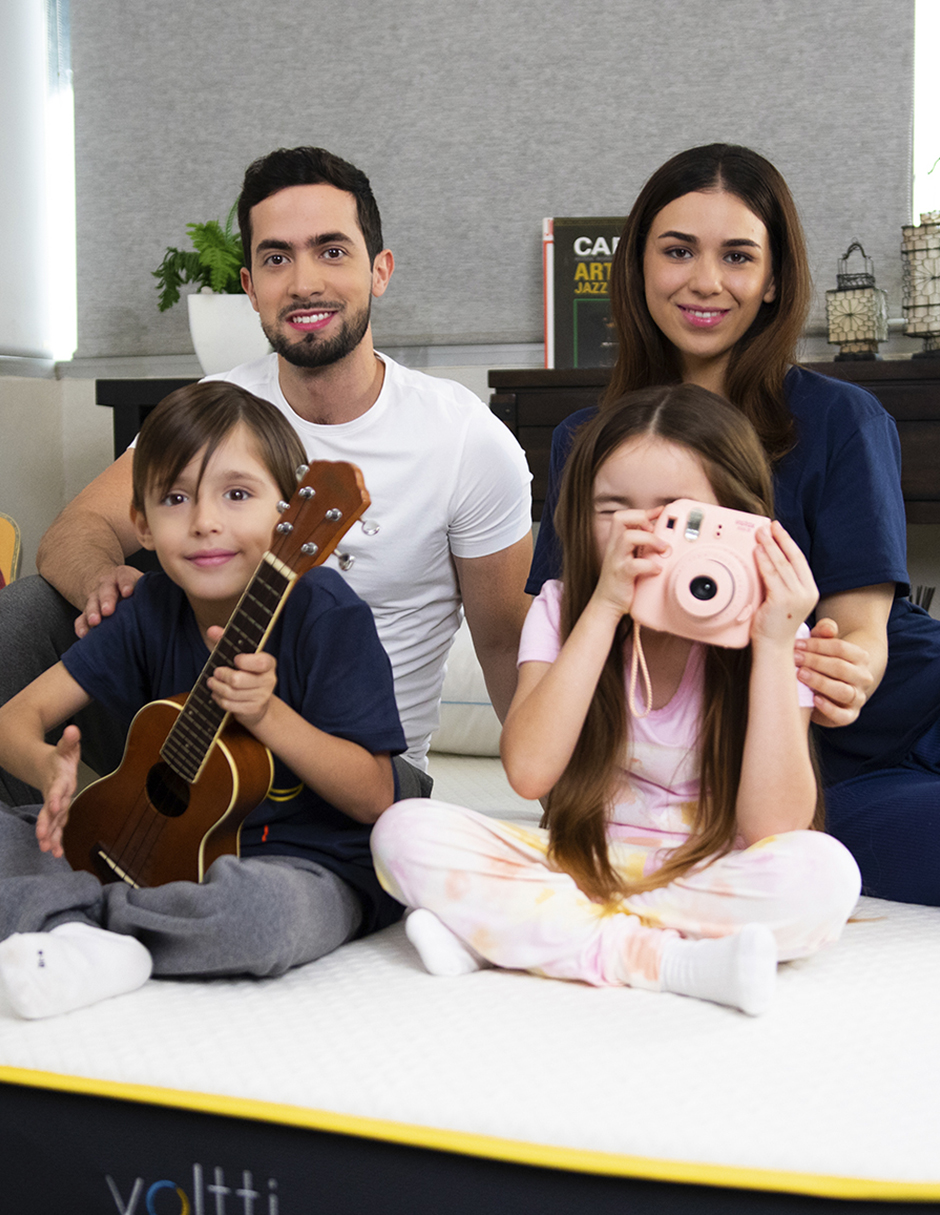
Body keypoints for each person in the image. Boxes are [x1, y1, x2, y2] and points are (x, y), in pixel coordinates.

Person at [0, 145, 532, 803]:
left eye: (332, 251)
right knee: (22, 612)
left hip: (353, 766)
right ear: (250, 287)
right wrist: (104, 585)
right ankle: (51, 838)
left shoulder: (466, 440)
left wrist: (561, 807)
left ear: (381, 271)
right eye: (277, 257)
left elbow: (506, 642)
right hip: (191, 736)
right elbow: (76, 529)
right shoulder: (212, 412)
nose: (304, 281)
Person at [527, 143, 940, 907]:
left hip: (915, 702)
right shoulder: (588, 443)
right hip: (802, 766)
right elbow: (563, 642)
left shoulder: (840, 419)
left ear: (775, 278)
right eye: (678, 250)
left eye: (739, 256)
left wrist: (849, 668)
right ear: (638, 267)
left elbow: (863, 638)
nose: (706, 281)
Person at [372, 387, 861, 1015]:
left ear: (735, 520)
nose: (640, 530)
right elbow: (529, 773)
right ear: (581, 516)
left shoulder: (772, 631)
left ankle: (521, 934)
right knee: (403, 831)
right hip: (580, 862)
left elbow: (775, 828)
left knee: (824, 875)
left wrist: (771, 646)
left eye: (672, 511)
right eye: (613, 508)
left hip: (708, 867)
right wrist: (602, 608)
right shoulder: (564, 606)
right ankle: (663, 958)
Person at [0, 381, 407, 1019]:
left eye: (237, 494)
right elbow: (14, 720)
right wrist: (49, 770)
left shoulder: (324, 613)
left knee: (262, 919)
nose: (205, 521)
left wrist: (268, 715)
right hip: (149, 845)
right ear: (141, 522)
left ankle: (81, 928)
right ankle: (118, 930)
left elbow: (374, 795)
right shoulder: (149, 610)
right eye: (176, 497)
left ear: (287, 511)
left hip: (295, 858)